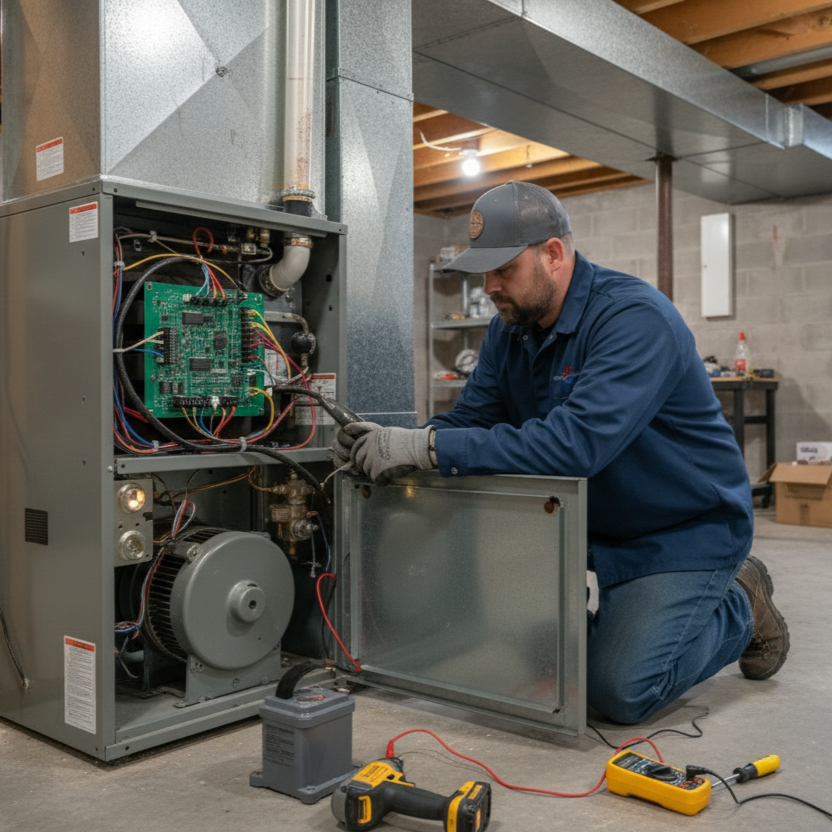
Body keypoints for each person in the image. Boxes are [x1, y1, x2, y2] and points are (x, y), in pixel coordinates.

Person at [332, 180, 789, 724]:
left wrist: (426, 446)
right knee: (526, 651)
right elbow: (471, 420)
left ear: (554, 253)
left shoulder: (634, 319)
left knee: (619, 689)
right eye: (486, 272)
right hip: (593, 531)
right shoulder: (512, 329)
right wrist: (392, 446)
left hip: (683, 532)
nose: (490, 285)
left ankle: (742, 600)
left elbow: (575, 446)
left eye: (505, 270)